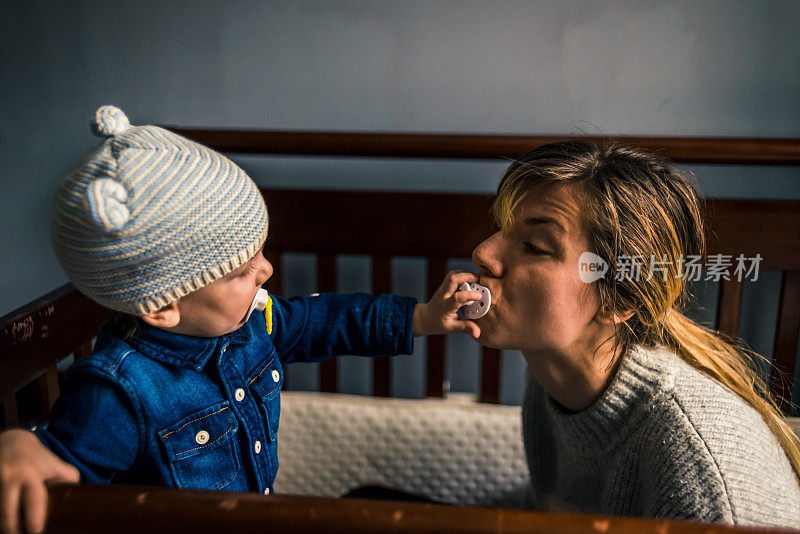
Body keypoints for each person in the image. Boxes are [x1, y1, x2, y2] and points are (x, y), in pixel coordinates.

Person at [0, 106, 482, 534]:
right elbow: (64, 474)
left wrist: (420, 317)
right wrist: (23, 444)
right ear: (164, 306)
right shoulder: (121, 392)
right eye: (239, 271)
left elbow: (323, 320)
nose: (267, 270)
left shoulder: (249, 323)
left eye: (260, 252)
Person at [470, 140, 800, 525]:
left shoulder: (697, 458)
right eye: (498, 229)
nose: (483, 252)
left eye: (534, 246)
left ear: (617, 302)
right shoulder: (549, 378)